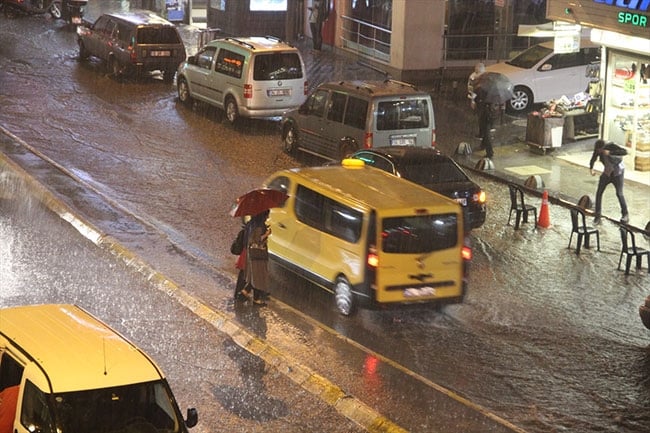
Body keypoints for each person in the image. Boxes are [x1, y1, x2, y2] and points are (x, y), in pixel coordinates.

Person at [589, 139, 629, 224]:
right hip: (607, 173)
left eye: (600, 150)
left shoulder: (611, 146)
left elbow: (624, 152)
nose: (599, 152)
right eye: (598, 150)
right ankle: (597, 216)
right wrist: (591, 168)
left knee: (619, 193)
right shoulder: (598, 151)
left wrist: (610, 153)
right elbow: (593, 157)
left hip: (617, 173)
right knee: (599, 192)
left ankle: (625, 214)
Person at [242, 210, 272, 305]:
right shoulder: (259, 226)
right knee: (259, 275)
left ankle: (247, 292)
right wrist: (267, 234)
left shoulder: (253, 223)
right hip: (258, 253)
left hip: (253, 253)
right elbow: (257, 239)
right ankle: (255, 298)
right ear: (263, 215)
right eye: (267, 215)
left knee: (255, 275)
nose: (268, 217)